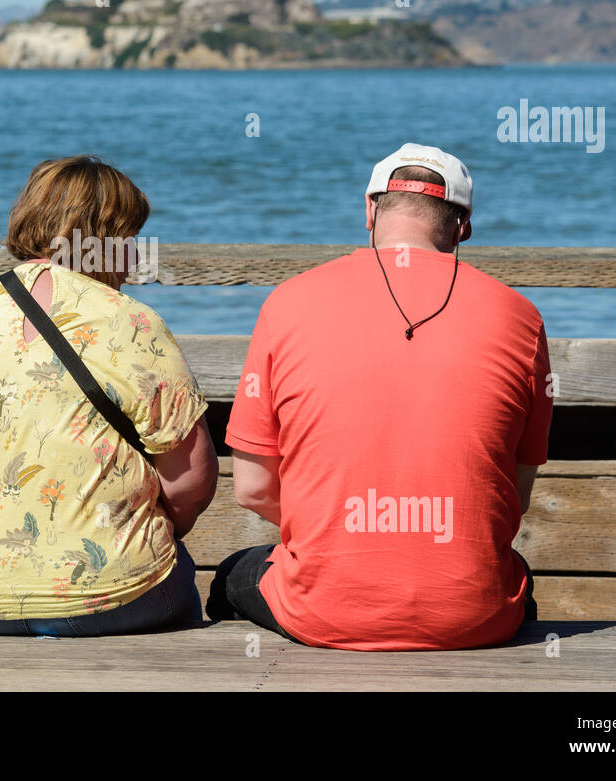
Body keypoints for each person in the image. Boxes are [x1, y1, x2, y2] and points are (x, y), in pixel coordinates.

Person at [208, 143, 551, 651]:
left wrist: (342, 525)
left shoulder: (287, 302)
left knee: (235, 574)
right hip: (472, 616)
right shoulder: (521, 317)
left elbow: (253, 488)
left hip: (320, 611)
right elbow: (511, 497)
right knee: (514, 579)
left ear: (370, 210)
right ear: (464, 226)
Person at [0, 155, 218, 635]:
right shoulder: (133, 323)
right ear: (106, 243)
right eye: (131, 242)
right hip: (106, 600)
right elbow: (189, 482)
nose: (136, 259)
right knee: (170, 580)